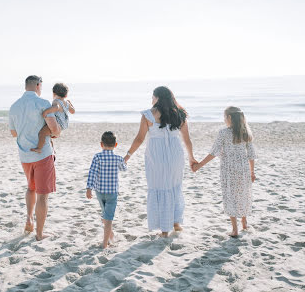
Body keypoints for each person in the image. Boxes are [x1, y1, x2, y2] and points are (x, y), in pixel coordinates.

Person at [124, 86, 197, 238]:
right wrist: (191, 158)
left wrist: (127, 156)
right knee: (174, 186)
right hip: (176, 155)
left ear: (157, 98)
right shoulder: (180, 114)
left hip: (156, 156)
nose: (151, 100)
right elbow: (187, 140)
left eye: (153, 97)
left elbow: (139, 139)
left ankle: (164, 231)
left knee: (160, 187)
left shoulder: (148, 115)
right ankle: (176, 223)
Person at [8, 75, 61, 241]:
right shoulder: (43, 103)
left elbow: (13, 133)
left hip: (24, 155)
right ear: (38, 85)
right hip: (42, 154)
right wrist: (56, 133)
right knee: (43, 194)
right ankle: (39, 233)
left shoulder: (14, 106)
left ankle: (29, 219)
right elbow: (54, 129)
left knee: (31, 188)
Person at [193, 106, 256, 237]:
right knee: (243, 194)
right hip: (243, 169)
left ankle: (235, 230)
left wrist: (199, 166)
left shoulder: (224, 133)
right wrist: (252, 172)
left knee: (230, 197)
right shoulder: (246, 132)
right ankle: (244, 223)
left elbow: (213, 152)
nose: (224, 119)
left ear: (230, 118)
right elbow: (251, 154)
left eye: (224, 117)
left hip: (229, 170)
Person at [86, 131, 127, 248]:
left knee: (105, 215)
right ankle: (105, 244)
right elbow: (124, 168)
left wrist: (89, 188)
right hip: (112, 192)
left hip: (99, 191)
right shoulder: (118, 158)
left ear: (101, 144)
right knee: (108, 218)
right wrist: (124, 160)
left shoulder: (97, 157)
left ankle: (110, 234)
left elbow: (92, 173)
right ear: (116, 145)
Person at [31, 82, 75, 153]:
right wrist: (70, 104)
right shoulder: (66, 103)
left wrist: (46, 111)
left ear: (54, 93)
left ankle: (39, 148)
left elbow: (56, 107)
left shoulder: (56, 101)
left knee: (42, 133)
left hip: (57, 124)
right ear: (66, 95)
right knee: (48, 136)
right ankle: (52, 150)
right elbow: (73, 111)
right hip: (64, 125)